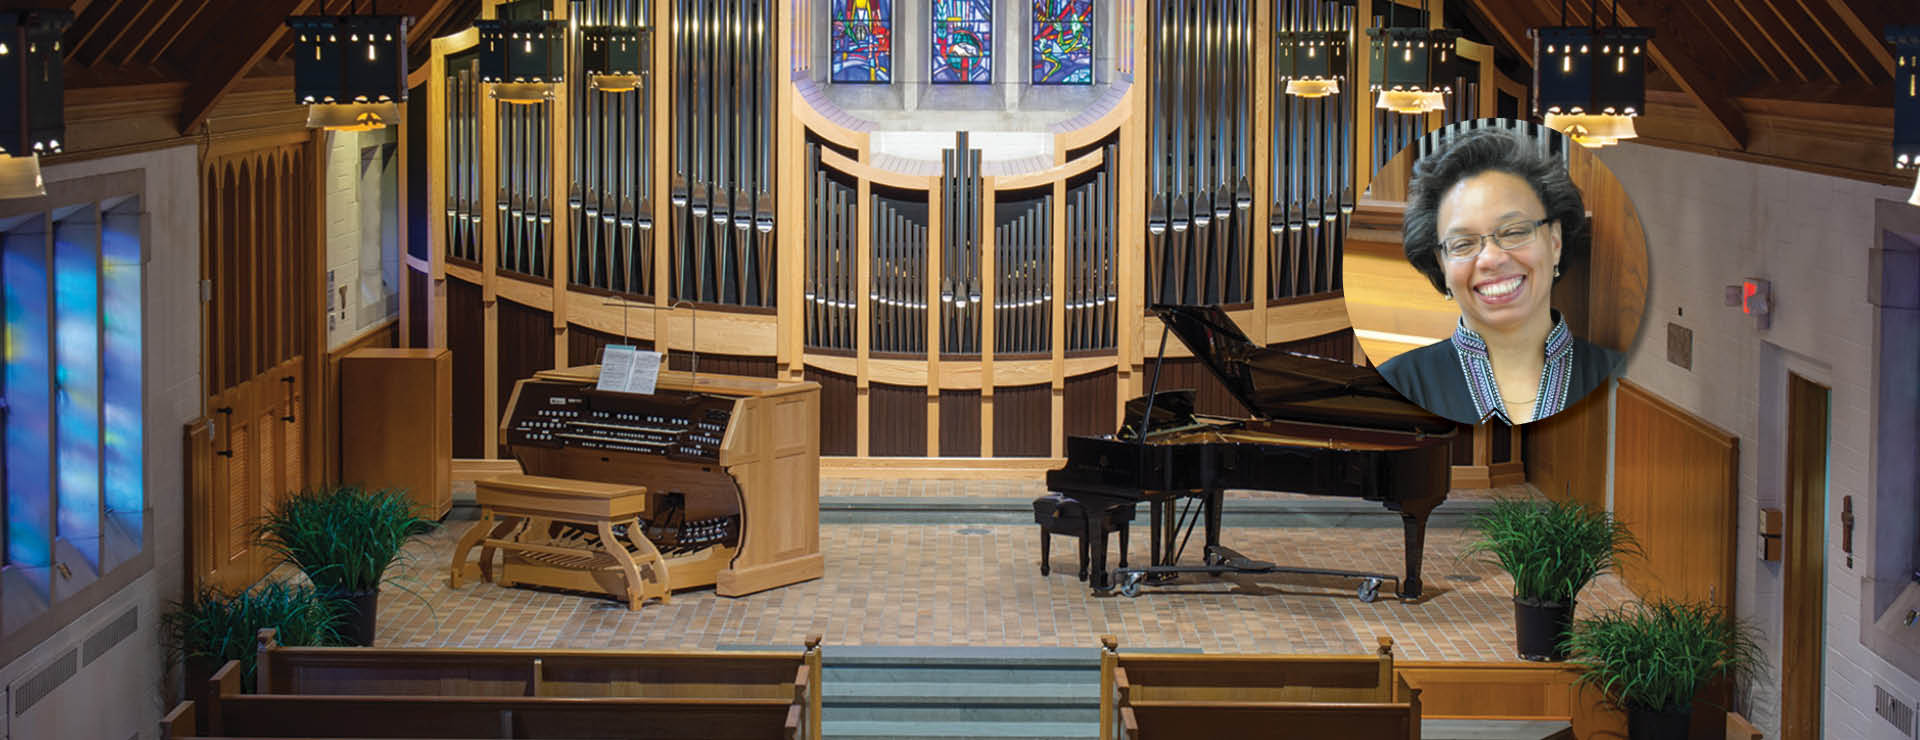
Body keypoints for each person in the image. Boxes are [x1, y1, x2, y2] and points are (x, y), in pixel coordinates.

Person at [1377, 128, 1622, 425]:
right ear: (1440, 263)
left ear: (1555, 242)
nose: (1491, 259)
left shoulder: (1619, 377)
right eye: (1463, 243)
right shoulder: (1392, 386)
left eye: (1515, 231)